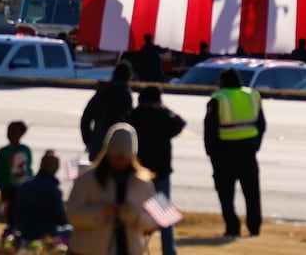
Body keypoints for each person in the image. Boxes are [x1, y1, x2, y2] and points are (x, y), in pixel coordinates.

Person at [66, 123, 158, 255]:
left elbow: (156, 219)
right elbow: (72, 214)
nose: (118, 162)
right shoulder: (87, 178)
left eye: (123, 157)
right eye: (115, 156)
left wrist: (134, 217)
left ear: (131, 156)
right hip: (88, 250)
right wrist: (101, 212)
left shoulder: (143, 181)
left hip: (129, 249)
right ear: (107, 153)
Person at [204, 67, 265, 237]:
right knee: (252, 193)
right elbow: (261, 124)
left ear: (222, 83)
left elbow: (210, 130)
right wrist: (255, 145)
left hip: (225, 152)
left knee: (225, 193)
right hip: (248, 151)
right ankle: (254, 227)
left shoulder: (218, 99)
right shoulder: (252, 95)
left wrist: (212, 154)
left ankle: (232, 226)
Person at [127, 84, 186, 255]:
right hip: (161, 172)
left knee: (135, 212)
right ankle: (169, 250)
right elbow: (179, 122)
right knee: (164, 214)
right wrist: (164, 108)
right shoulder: (163, 115)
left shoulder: (136, 115)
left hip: (139, 172)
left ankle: (135, 248)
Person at [12, 150, 70, 248]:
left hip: (23, 231)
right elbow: (62, 220)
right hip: (45, 234)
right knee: (70, 231)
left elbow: (15, 212)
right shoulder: (53, 191)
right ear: (55, 168)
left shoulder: (25, 186)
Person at [82, 60, 135, 157]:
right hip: (118, 148)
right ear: (129, 76)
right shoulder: (125, 95)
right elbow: (130, 122)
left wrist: (90, 141)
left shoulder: (101, 92)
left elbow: (85, 119)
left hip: (97, 145)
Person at [0, 120, 34, 233]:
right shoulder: (3, 152)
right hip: (8, 190)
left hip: (24, 189)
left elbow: (28, 169)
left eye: (14, 131)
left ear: (21, 134)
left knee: (23, 216)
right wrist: (2, 188)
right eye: (9, 131)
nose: (10, 134)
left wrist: (32, 184)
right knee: (8, 215)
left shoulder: (26, 150)